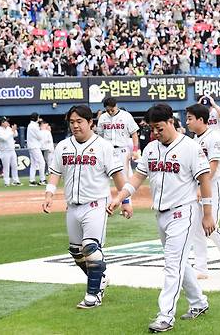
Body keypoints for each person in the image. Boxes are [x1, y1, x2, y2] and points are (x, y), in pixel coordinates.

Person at [111, 103, 214, 333]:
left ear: (170, 122)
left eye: (159, 128)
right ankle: (199, 302)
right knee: (178, 263)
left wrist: (207, 214)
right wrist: (121, 197)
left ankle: (165, 315)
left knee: (171, 265)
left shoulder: (190, 147)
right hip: (161, 214)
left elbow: (205, 180)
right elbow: (138, 177)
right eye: (151, 129)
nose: (155, 133)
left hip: (183, 212)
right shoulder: (151, 149)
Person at [42, 105, 129, 309]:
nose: (75, 125)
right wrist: (49, 194)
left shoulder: (104, 146)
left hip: (96, 204)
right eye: (72, 122)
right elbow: (55, 172)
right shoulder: (63, 146)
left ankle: (93, 294)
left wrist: (125, 201)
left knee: (91, 247)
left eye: (79, 121)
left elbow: (118, 175)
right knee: (76, 251)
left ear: (91, 122)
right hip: (72, 206)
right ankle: (100, 277)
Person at [185, 104, 220, 279]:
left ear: (201, 119)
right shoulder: (193, 140)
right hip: (198, 188)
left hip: (213, 188)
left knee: (211, 228)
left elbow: (213, 165)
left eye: (190, 118)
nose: (187, 122)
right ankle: (201, 268)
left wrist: (201, 187)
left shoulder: (214, 137)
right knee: (198, 230)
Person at [96, 97, 140, 177]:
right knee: (105, 175)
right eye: (107, 110)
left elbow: (134, 134)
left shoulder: (126, 116)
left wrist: (135, 150)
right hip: (108, 150)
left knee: (126, 175)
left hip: (122, 149)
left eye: (112, 110)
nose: (110, 112)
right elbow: (100, 136)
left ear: (116, 105)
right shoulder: (103, 117)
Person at [0, 117, 21, 186]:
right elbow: (5, 138)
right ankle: (6, 182)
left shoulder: (9, 129)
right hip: (4, 151)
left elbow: (15, 135)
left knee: (15, 166)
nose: (7, 123)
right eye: (6, 121)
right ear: (2, 123)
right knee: (6, 167)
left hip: (12, 150)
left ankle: (16, 180)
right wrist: (12, 131)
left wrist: (14, 130)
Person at [26, 113, 46, 186]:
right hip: (34, 146)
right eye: (38, 117)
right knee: (42, 162)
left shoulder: (32, 125)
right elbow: (40, 136)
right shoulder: (34, 126)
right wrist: (42, 129)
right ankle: (42, 179)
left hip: (32, 146)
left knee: (34, 164)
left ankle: (32, 180)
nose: (39, 118)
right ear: (36, 118)